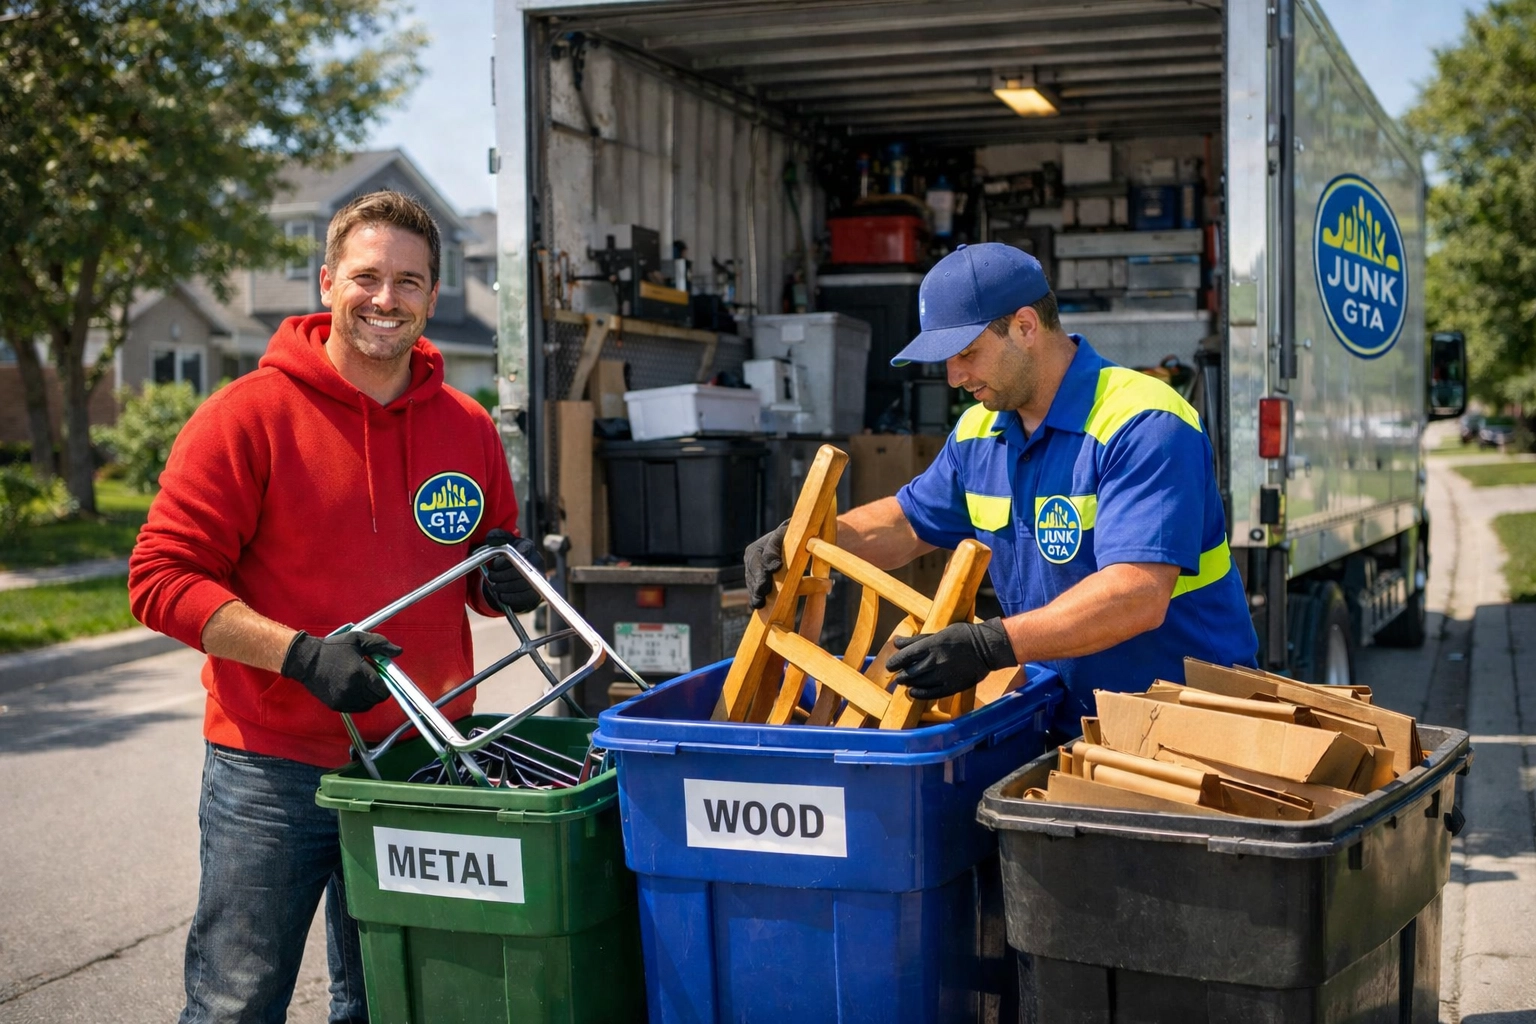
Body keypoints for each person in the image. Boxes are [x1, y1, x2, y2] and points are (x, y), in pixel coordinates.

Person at [129, 190, 544, 1023]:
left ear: (434, 296)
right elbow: (160, 579)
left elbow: (480, 567)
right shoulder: (246, 417)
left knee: (390, 1003)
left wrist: (501, 577)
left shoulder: (466, 428)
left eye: (409, 282)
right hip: (273, 768)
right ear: (326, 282)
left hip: (420, 766)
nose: (386, 300)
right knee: (236, 1004)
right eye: (367, 276)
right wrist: (300, 655)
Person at [744, 243, 1257, 726]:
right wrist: (803, 541)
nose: (953, 376)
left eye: (966, 352)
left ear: (1026, 326)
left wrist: (991, 645)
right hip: (1069, 721)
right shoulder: (978, 432)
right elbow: (905, 524)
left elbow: (1137, 594)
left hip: (1190, 722)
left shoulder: (1144, 422)